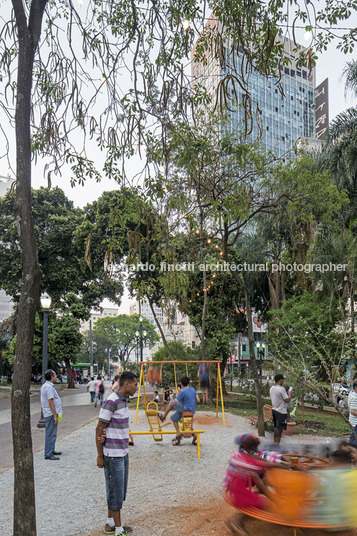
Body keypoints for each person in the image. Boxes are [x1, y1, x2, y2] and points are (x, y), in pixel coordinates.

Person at [96, 371, 138, 536]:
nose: (136, 388)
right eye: (135, 384)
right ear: (126, 384)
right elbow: (99, 428)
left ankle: (111, 523)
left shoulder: (123, 400)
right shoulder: (111, 401)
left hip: (122, 452)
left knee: (117, 489)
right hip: (113, 454)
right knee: (116, 490)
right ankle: (119, 530)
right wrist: (100, 455)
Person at [159, 376, 200, 445]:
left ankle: (164, 417)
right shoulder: (193, 389)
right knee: (174, 418)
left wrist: (172, 404)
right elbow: (198, 400)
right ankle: (178, 438)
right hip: (192, 411)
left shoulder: (182, 392)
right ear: (188, 383)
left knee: (172, 401)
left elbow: (175, 402)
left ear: (181, 383)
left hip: (185, 409)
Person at [40, 369, 63, 460]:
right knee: (50, 433)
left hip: (50, 412)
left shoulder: (46, 386)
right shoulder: (49, 387)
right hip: (51, 413)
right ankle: (48, 453)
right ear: (51, 377)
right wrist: (54, 415)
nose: (56, 376)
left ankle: (51, 449)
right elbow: (50, 401)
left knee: (52, 433)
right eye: (55, 375)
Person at [269, 373, 292, 444]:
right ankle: (277, 445)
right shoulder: (281, 389)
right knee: (280, 429)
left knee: (276, 428)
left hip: (274, 410)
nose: (283, 381)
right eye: (282, 380)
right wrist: (290, 393)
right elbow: (287, 400)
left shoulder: (272, 388)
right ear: (280, 380)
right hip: (281, 412)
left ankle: (275, 443)